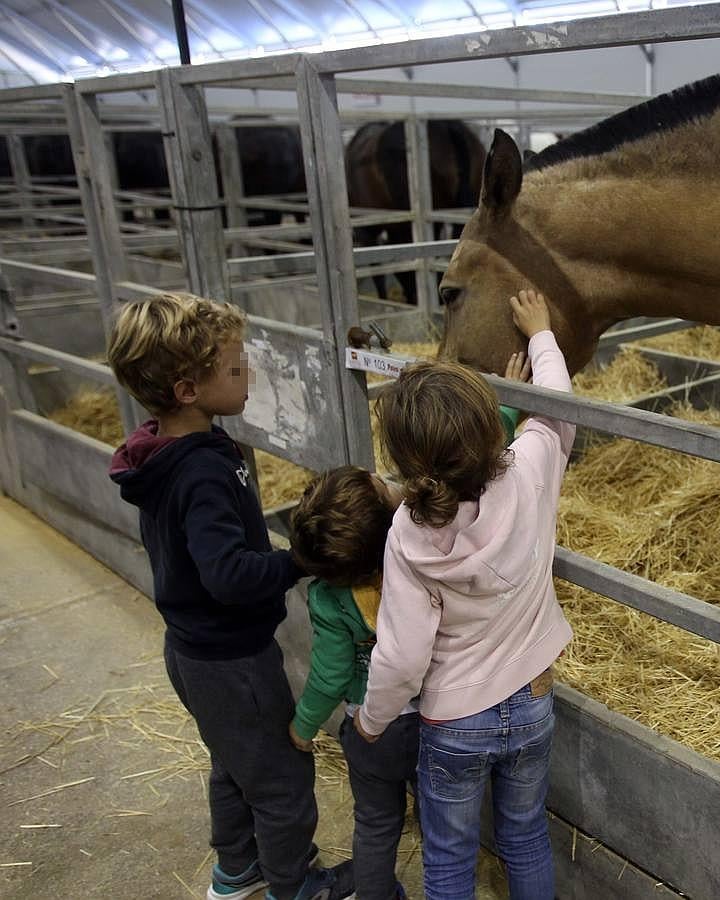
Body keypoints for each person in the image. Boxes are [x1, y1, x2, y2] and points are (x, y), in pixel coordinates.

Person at [106, 292, 351, 900]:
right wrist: (296, 560)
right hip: (231, 660)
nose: (249, 374)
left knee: (235, 764)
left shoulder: (166, 454)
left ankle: (238, 869)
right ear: (188, 389)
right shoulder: (202, 471)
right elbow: (230, 576)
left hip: (194, 652)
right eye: (237, 367)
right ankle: (294, 886)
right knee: (281, 779)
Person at [354, 289, 575, 900]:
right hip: (533, 700)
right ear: (490, 427)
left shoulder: (408, 534)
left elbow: (400, 657)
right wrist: (541, 334)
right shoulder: (530, 468)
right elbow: (557, 405)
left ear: (403, 459)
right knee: (526, 834)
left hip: (453, 720)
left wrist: (372, 721)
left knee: (449, 857)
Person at [284, 361, 530, 900]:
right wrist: (508, 406)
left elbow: (328, 674)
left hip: (371, 729)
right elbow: (469, 456)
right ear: (390, 518)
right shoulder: (413, 559)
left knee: (375, 823)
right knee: (443, 818)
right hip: (432, 720)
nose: (390, 480)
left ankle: (376, 894)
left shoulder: (328, 599)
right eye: (383, 483)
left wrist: (304, 727)